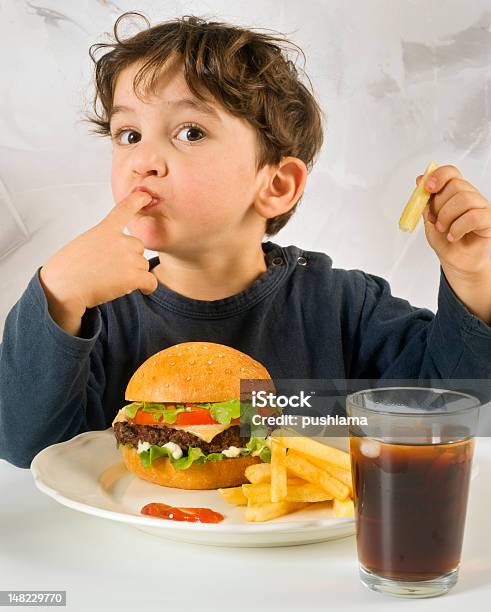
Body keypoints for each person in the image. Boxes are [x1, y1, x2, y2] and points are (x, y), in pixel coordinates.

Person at [0, 12, 490, 469]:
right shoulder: (99, 318)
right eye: (128, 134)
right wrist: (58, 295)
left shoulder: (345, 307)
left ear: (275, 185)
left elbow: (449, 411)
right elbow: (27, 449)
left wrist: (474, 280)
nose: (143, 160)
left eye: (190, 132)